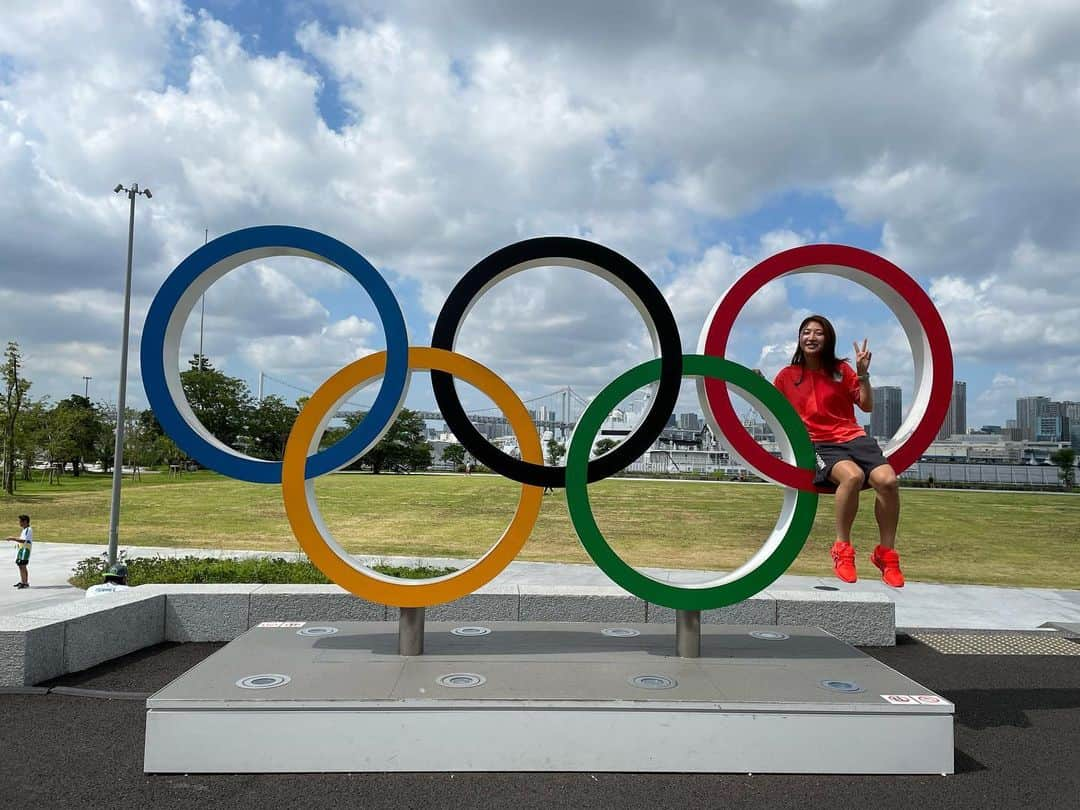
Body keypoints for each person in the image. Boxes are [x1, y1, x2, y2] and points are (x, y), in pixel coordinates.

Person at [772, 315, 905, 587]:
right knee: (852, 477)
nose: (811, 337)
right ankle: (843, 550)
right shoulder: (787, 376)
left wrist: (863, 373)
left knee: (888, 481)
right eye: (806, 332)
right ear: (799, 339)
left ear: (828, 338)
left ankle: (886, 554)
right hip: (820, 443)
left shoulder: (841, 371)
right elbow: (774, 411)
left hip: (854, 437)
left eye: (818, 333)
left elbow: (866, 406)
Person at [5, 514, 32, 589]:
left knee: (22, 565)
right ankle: (23, 581)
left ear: (25, 521)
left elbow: (23, 540)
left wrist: (12, 538)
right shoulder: (24, 530)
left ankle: (25, 583)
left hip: (25, 551)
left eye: (20, 521)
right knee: (21, 565)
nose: (19, 523)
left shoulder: (28, 530)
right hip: (21, 550)